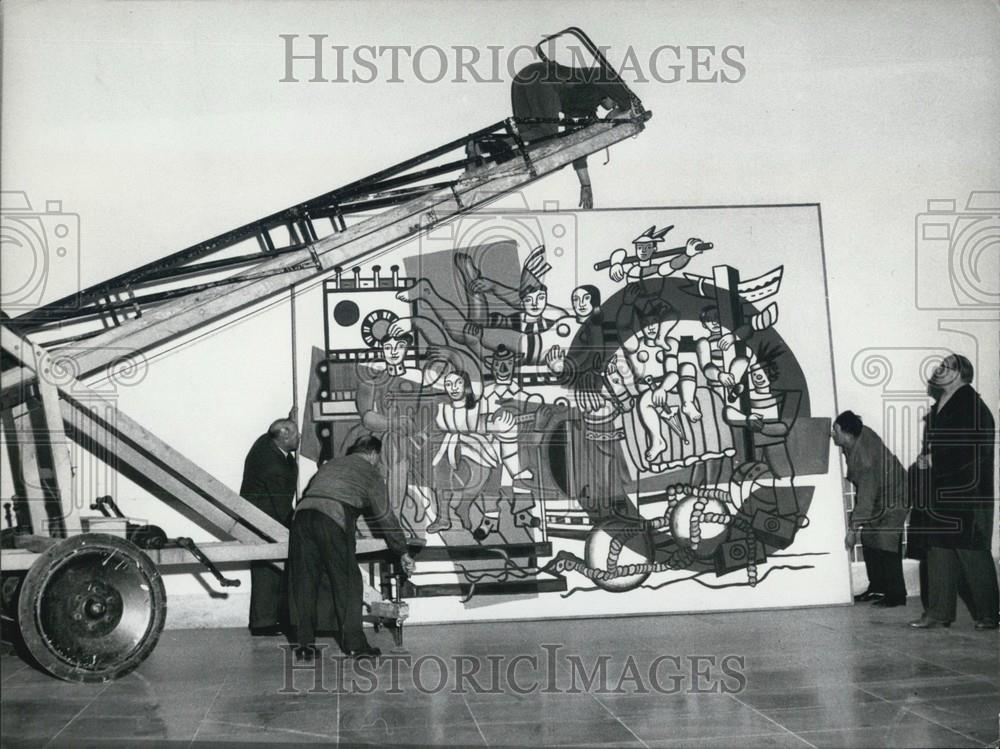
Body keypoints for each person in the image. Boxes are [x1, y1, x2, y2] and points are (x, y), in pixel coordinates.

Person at [289, 436, 416, 662]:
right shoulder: (370, 472)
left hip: (301, 517)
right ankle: (356, 646)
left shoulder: (333, 464)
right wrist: (402, 551)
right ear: (374, 454)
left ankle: (304, 645)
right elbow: (385, 516)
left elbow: (324, 495)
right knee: (348, 582)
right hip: (332, 518)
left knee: (305, 580)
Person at [909, 354, 998, 630]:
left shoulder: (971, 405)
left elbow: (970, 449)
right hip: (943, 490)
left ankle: (990, 614)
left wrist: (936, 459)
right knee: (938, 548)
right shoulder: (943, 405)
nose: (938, 369)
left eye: (945, 366)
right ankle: (938, 612)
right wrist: (927, 459)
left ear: (960, 373)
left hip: (966, 493)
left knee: (970, 550)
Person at [510, 60, 638, 209]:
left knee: (536, 140)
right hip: (542, 77)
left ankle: (483, 147)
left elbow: (576, 145)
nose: (613, 107)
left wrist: (586, 185)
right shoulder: (603, 82)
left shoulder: (586, 108)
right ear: (611, 94)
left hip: (524, 77)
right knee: (547, 135)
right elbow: (606, 77)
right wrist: (626, 105)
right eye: (614, 104)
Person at [832, 411, 908, 607]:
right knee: (869, 537)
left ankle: (896, 595)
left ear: (844, 432)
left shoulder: (865, 458)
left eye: (835, 430)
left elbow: (865, 499)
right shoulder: (859, 434)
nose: (832, 434)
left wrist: (852, 531)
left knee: (886, 539)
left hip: (896, 495)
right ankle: (878, 588)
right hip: (880, 495)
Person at [239, 417, 299, 636]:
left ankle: (268, 620)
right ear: (282, 436)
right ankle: (263, 623)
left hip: (260, 515)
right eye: (294, 434)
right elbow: (282, 506)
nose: (299, 437)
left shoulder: (265, 443)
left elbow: (271, 433)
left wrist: (289, 417)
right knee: (268, 569)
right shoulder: (274, 466)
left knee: (271, 569)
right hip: (265, 519)